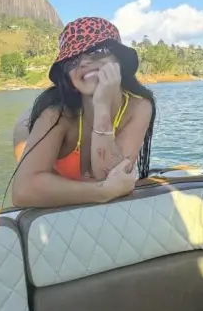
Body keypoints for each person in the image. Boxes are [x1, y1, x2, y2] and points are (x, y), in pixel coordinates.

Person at [11, 16, 156, 208]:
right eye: (72, 60)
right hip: (28, 130)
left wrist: (102, 107)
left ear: (119, 60)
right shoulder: (56, 115)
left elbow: (110, 176)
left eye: (96, 51)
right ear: (69, 78)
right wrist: (102, 192)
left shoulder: (139, 106)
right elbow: (23, 191)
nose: (84, 62)